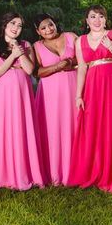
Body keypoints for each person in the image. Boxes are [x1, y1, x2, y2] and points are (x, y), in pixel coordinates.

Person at [0, 12, 43, 189]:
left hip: (21, 94)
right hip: (1, 95)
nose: (16, 28)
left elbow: (30, 69)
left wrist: (19, 52)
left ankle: (22, 172)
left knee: (21, 129)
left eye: (19, 25)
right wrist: (12, 55)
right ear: (4, 25)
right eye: (13, 24)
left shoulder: (26, 45)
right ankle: (1, 175)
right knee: (2, 130)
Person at [67, 5, 112, 191]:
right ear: (87, 20)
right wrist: (78, 95)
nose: (97, 20)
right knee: (94, 125)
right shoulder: (80, 40)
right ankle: (96, 170)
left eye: (101, 16)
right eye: (93, 17)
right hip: (93, 87)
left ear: (105, 20)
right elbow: (82, 68)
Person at [33, 14, 78, 186]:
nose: (48, 29)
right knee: (53, 130)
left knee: (74, 126)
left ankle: (75, 171)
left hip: (72, 87)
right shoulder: (37, 46)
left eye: (50, 25)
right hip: (50, 94)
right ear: (38, 31)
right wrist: (58, 66)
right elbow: (37, 72)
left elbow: (84, 57)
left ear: (55, 24)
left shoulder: (71, 37)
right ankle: (54, 172)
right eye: (43, 28)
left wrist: (71, 61)